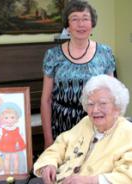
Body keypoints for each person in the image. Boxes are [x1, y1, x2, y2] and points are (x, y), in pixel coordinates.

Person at [41, 0, 116, 148]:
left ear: (92, 23)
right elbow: (46, 100)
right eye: (74, 19)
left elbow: (111, 96)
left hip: (96, 123)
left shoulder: (105, 52)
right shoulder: (52, 55)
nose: (80, 24)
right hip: (62, 125)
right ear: (67, 26)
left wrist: (112, 132)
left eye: (85, 18)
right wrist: (48, 140)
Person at [34, 74, 132, 184]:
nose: (95, 110)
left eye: (102, 103)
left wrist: (92, 181)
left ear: (117, 107)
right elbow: (61, 144)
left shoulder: (127, 133)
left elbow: (128, 175)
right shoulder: (86, 122)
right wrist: (49, 164)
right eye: (90, 104)